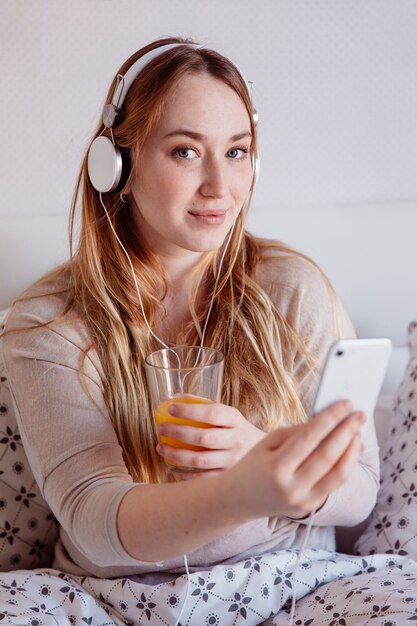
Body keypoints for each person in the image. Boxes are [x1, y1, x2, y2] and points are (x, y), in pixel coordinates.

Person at [1, 36, 416, 626]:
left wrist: (269, 465)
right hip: (110, 599)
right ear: (115, 164)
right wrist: (243, 491)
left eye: (238, 152)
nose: (220, 187)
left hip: (291, 584)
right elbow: (93, 520)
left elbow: (361, 490)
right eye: (186, 153)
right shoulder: (48, 321)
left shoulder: (292, 288)